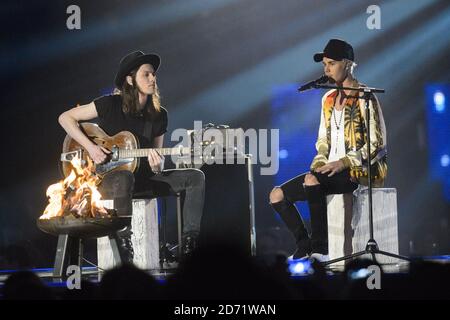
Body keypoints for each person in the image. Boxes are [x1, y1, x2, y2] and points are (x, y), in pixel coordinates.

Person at [58, 51, 205, 262]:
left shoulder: (159, 115)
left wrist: (157, 167)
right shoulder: (110, 104)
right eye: (146, 75)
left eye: (153, 74)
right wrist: (91, 148)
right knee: (124, 177)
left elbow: (158, 160)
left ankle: (190, 245)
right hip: (107, 181)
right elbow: (65, 118)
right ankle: (124, 241)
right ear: (130, 79)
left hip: (142, 179)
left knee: (195, 177)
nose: (153, 79)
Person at [269, 39, 387, 261]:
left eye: (331, 63)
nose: (326, 69)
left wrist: (343, 162)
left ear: (348, 64)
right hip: (330, 168)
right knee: (277, 195)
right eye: (324, 64)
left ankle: (321, 249)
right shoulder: (328, 99)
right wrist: (320, 162)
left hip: (357, 170)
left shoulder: (365, 97)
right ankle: (304, 245)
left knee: (312, 181)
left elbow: (376, 144)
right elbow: (323, 139)